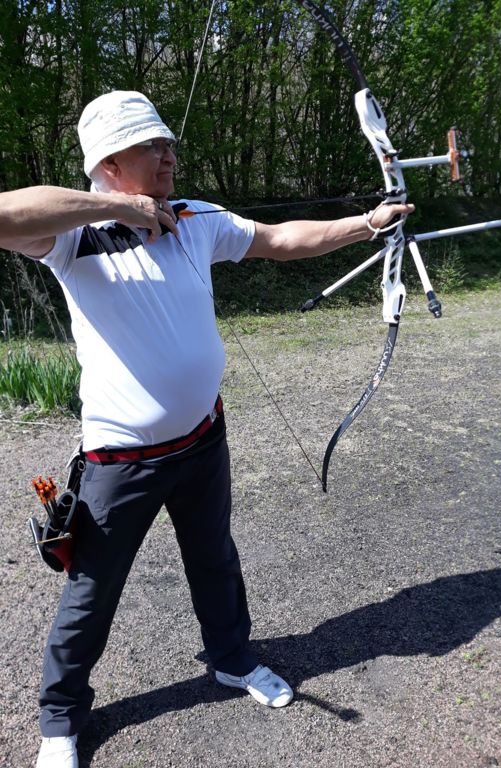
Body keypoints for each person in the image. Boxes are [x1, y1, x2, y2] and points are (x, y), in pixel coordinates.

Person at [0, 91, 414, 768]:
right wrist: (119, 209)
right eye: (151, 146)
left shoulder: (194, 218)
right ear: (109, 163)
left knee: (214, 558)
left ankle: (231, 659)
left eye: (169, 143)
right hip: (121, 461)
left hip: (202, 439)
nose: (169, 155)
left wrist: (366, 224)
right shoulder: (72, 237)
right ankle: (60, 719)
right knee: (92, 591)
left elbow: (279, 241)